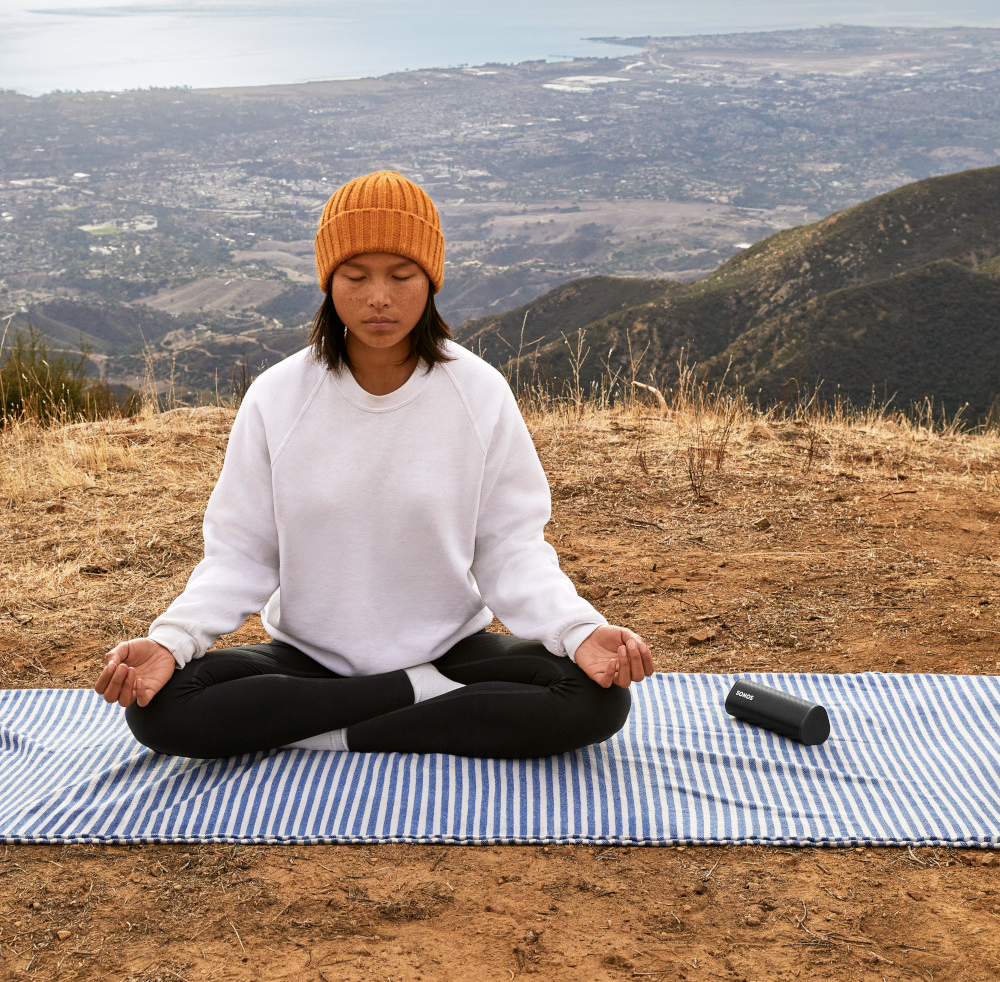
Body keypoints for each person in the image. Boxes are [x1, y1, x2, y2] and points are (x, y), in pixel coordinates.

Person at [96, 172, 653, 760]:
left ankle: (325, 732)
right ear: (329, 283)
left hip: (450, 652)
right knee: (161, 710)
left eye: (402, 276)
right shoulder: (277, 395)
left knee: (597, 698)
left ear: (431, 281)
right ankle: (416, 700)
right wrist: (174, 639)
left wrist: (579, 630)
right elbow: (241, 553)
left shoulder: (479, 392)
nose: (378, 298)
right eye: (356, 277)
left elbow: (510, 549)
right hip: (308, 658)